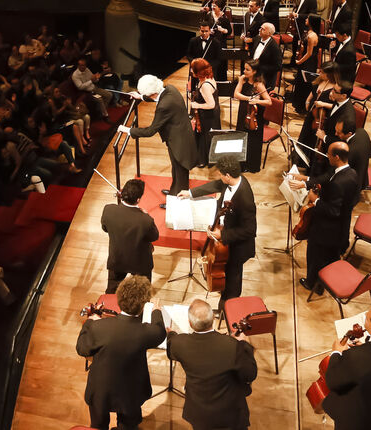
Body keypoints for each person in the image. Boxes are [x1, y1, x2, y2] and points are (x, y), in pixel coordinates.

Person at [76, 275, 166, 430]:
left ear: (118, 299)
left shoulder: (99, 327)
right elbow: (160, 330)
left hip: (100, 390)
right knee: (128, 426)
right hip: (130, 392)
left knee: (97, 425)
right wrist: (156, 310)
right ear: (143, 306)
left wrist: (90, 322)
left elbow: (82, 348)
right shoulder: (147, 332)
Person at [165, 299, 257, 430]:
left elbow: (171, 346)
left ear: (190, 324)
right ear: (213, 318)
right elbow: (250, 374)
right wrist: (244, 344)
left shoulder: (180, 343)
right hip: (230, 415)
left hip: (200, 414)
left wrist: (172, 334)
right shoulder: (233, 346)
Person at [181, 157, 256, 309]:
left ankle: (228, 308)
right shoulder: (231, 181)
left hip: (237, 247)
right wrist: (190, 193)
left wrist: (223, 235)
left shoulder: (245, 199)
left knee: (233, 279)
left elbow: (250, 230)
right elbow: (215, 185)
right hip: (224, 231)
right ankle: (224, 294)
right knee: (224, 273)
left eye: (221, 174)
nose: (219, 177)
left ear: (228, 175)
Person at [292, 141, 358, 294]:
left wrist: (315, 200)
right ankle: (327, 280)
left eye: (328, 154)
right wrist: (305, 180)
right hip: (341, 227)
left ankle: (312, 283)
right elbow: (327, 178)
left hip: (327, 229)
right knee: (329, 256)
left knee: (315, 255)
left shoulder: (339, 183)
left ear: (336, 157)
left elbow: (333, 210)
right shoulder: (351, 173)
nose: (326, 156)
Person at [120, 74, 200, 196]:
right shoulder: (170, 89)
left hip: (179, 141)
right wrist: (140, 97)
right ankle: (175, 191)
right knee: (177, 169)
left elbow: (150, 131)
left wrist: (127, 130)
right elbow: (157, 97)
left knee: (180, 171)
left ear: (151, 93)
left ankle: (177, 198)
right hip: (180, 135)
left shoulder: (164, 106)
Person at [100, 179, 159, 293]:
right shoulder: (145, 220)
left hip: (117, 259)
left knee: (112, 290)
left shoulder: (108, 210)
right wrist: (146, 215)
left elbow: (105, 228)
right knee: (142, 291)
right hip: (140, 262)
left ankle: (108, 305)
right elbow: (154, 237)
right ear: (138, 199)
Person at [233, 60, 271, 173]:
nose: (244, 71)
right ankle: (241, 164)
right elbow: (236, 94)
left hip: (253, 116)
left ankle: (251, 165)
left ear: (254, 72)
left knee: (251, 141)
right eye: (244, 68)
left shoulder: (259, 85)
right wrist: (248, 98)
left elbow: (269, 102)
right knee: (241, 137)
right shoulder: (243, 80)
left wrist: (256, 102)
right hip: (243, 113)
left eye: (247, 69)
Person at [189, 58, 220, 166]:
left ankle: (204, 160)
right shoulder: (207, 78)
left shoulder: (206, 85)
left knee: (205, 136)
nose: (191, 71)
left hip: (208, 115)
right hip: (210, 115)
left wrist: (196, 105)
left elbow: (211, 104)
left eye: (193, 69)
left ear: (199, 71)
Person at [250, 22, 283, 90]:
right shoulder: (257, 38)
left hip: (266, 79)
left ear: (269, 33)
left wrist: (260, 68)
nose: (259, 30)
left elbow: (278, 67)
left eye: (263, 29)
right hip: (254, 76)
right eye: (260, 28)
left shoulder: (275, 48)